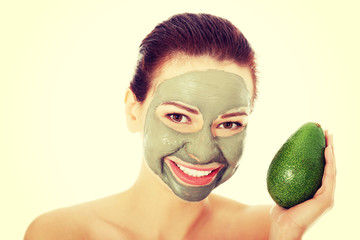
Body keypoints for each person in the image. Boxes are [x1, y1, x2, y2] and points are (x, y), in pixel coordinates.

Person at [24, 13, 336, 240]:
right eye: (177, 117)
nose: (203, 152)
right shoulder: (58, 233)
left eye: (229, 123)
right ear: (134, 110)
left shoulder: (265, 230)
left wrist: (286, 234)